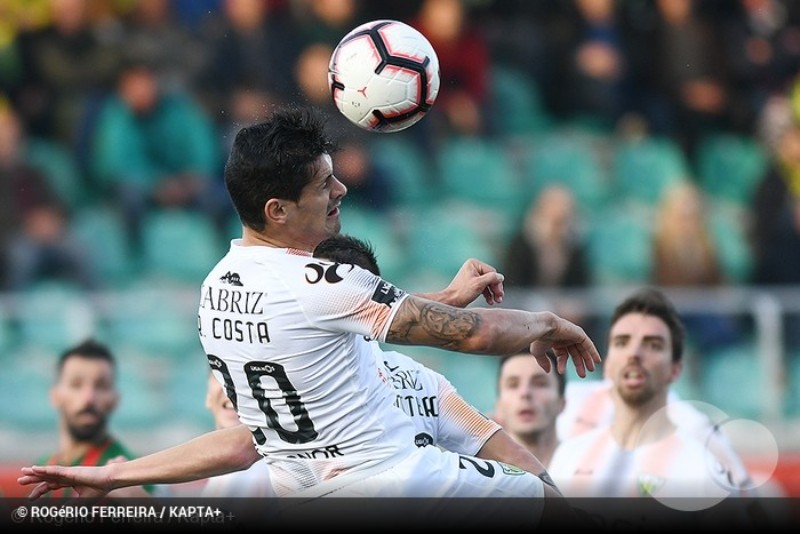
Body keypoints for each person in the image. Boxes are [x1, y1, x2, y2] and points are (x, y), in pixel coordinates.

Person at [21, 106, 600, 526]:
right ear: (278, 209)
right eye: (325, 184)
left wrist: (113, 473)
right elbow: (474, 336)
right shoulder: (321, 282)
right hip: (396, 484)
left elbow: (257, 434)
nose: (341, 189)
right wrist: (548, 322)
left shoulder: (216, 289)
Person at [548, 287, 746, 499]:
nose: (634, 354)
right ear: (606, 363)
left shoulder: (704, 469)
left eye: (653, 345)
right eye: (622, 342)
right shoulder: (569, 453)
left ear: (676, 368)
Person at [38, 338, 153, 498]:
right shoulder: (42, 467)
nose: (89, 397)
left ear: (115, 399)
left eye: (101, 385)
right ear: (55, 396)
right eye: (76, 384)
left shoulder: (133, 475)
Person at [492, 351, 566, 468]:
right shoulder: (480, 478)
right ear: (499, 406)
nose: (525, 393)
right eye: (513, 385)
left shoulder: (590, 465)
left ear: (562, 403)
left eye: (540, 384)